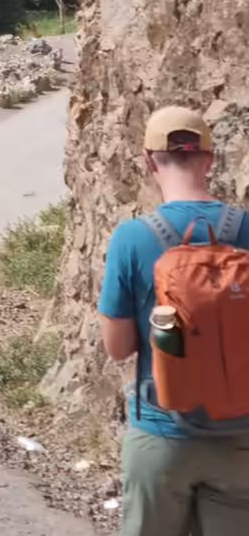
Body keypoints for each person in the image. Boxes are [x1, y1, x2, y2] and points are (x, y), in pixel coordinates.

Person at [97, 105, 249, 535]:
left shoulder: (132, 237)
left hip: (162, 433)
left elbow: (118, 347)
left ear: (149, 161)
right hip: (241, 438)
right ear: (210, 159)